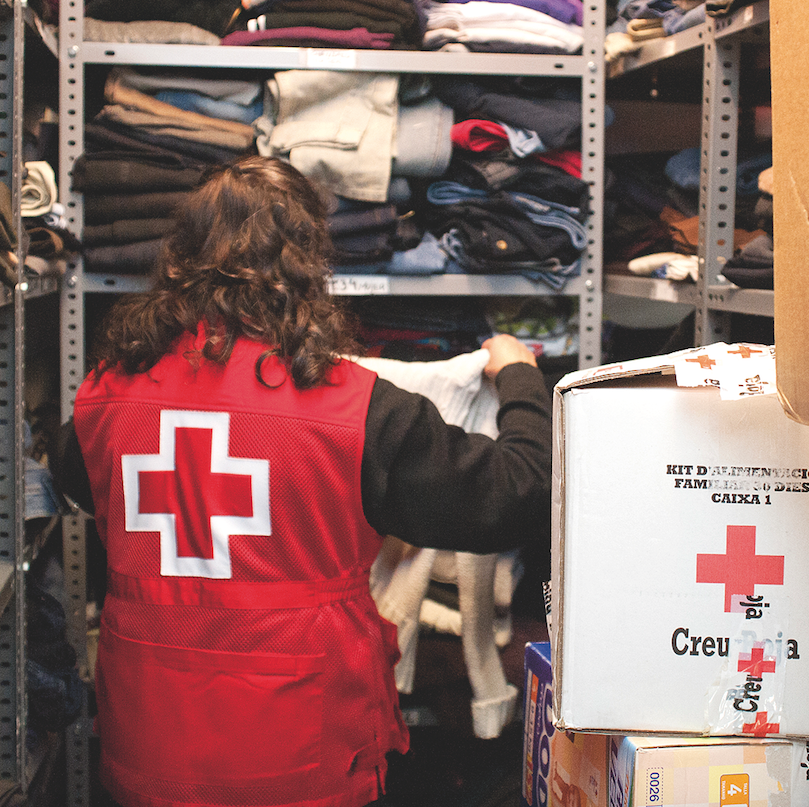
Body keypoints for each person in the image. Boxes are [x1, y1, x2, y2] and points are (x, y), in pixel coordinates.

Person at [52, 155, 552, 807]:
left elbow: (79, 487)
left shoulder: (104, 396)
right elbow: (512, 494)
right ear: (307, 265)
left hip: (147, 745)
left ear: (179, 255)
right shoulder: (356, 410)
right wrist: (518, 377)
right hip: (301, 747)